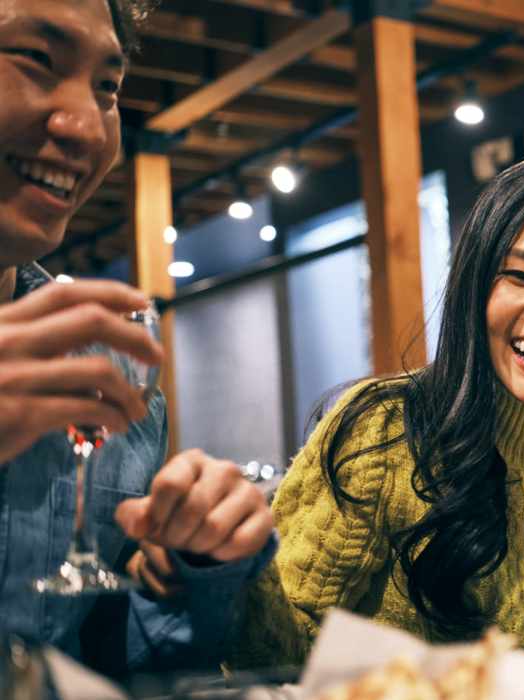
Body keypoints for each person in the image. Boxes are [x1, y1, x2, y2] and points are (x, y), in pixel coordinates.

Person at [232, 148, 524, 666]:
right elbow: (272, 655)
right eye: (518, 275)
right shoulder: (385, 430)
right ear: (474, 289)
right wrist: (232, 566)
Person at [0, 0, 275, 675]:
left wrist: (192, 565)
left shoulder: (102, 372)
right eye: (36, 59)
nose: (87, 128)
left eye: (108, 88)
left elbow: (106, 654)